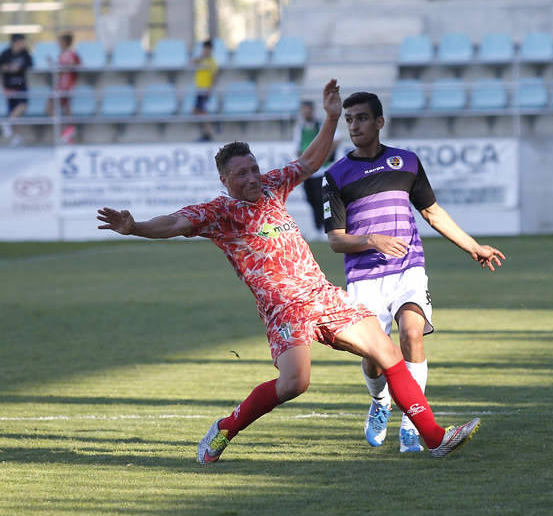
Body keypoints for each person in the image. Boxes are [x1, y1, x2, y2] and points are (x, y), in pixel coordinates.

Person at [97, 79, 483, 464]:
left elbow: (311, 162)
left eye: (253, 169)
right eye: (241, 174)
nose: (251, 178)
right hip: (285, 309)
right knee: (295, 384)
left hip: (322, 294)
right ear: (224, 181)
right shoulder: (219, 212)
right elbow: (173, 223)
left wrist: (330, 118)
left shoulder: (271, 187)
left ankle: (434, 438)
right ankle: (226, 428)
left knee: (388, 352)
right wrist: (136, 227)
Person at [323, 91, 505, 453]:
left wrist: (474, 246)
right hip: (364, 277)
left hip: (408, 270)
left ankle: (411, 420)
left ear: (379, 122)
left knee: (412, 334)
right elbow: (335, 241)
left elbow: (433, 213)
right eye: (349, 120)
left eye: (361, 118)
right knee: (374, 359)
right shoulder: (336, 175)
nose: (354, 126)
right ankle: (380, 404)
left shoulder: (406, 162)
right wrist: (371, 239)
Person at [294, 99, 340, 232]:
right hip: (307, 170)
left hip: (322, 170)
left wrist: (323, 156)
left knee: (321, 199)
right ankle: (317, 226)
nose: (306, 112)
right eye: (304, 109)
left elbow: (336, 140)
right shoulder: (300, 128)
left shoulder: (322, 125)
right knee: (310, 198)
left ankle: (323, 226)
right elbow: (298, 147)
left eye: (308, 109)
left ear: (312, 110)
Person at [47, 32, 81, 144]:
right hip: (62, 86)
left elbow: (76, 66)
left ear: (65, 42)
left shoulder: (70, 54)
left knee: (51, 108)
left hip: (65, 87)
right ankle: (68, 133)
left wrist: (58, 67)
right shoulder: (64, 54)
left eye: (60, 41)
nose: (58, 43)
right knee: (65, 109)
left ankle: (68, 131)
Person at [0, 33, 32, 145]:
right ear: (15, 42)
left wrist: (18, 68)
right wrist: (9, 68)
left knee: (22, 105)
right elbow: (2, 67)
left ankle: (7, 124)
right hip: (9, 86)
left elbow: (30, 64)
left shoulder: (25, 53)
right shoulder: (5, 53)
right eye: (21, 41)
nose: (23, 44)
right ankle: (15, 136)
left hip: (21, 86)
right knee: (13, 112)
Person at [192, 39, 218, 142]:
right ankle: (207, 131)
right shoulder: (201, 60)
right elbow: (192, 62)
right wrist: (202, 56)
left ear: (211, 49)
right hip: (199, 90)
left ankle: (208, 134)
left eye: (208, 49)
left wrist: (209, 89)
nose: (206, 50)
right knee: (197, 112)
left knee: (203, 112)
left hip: (205, 91)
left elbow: (214, 76)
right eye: (204, 48)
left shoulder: (213, 62)